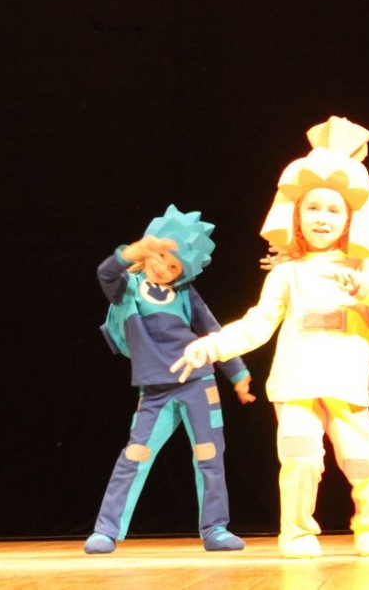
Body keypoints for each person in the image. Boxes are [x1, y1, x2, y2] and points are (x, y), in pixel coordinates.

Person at [171, 117, 369, 559]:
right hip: (296, 384)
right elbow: (257, 323)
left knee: (364, 458)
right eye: (313, 208)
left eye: (334, 210)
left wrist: (362, 286)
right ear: (297, 215)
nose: (322, 218)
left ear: (350, 219)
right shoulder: (287, 273)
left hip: (345, 384)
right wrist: (210, 346)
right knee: (300, 458)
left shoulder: (364, 268)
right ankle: (296, 533)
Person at [85, 205, 253, 555]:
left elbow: (214, 332)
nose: (163, 267)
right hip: (155, 389)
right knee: (135, 455)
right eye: (161, 255)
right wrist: (136, 250)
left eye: (174, 266)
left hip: (198, 382)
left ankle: (215, 528)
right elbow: (105, 273)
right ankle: (106, 530)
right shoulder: (129, 287)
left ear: (183, 273)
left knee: (208, 455)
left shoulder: (187, 294)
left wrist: (238, 373)